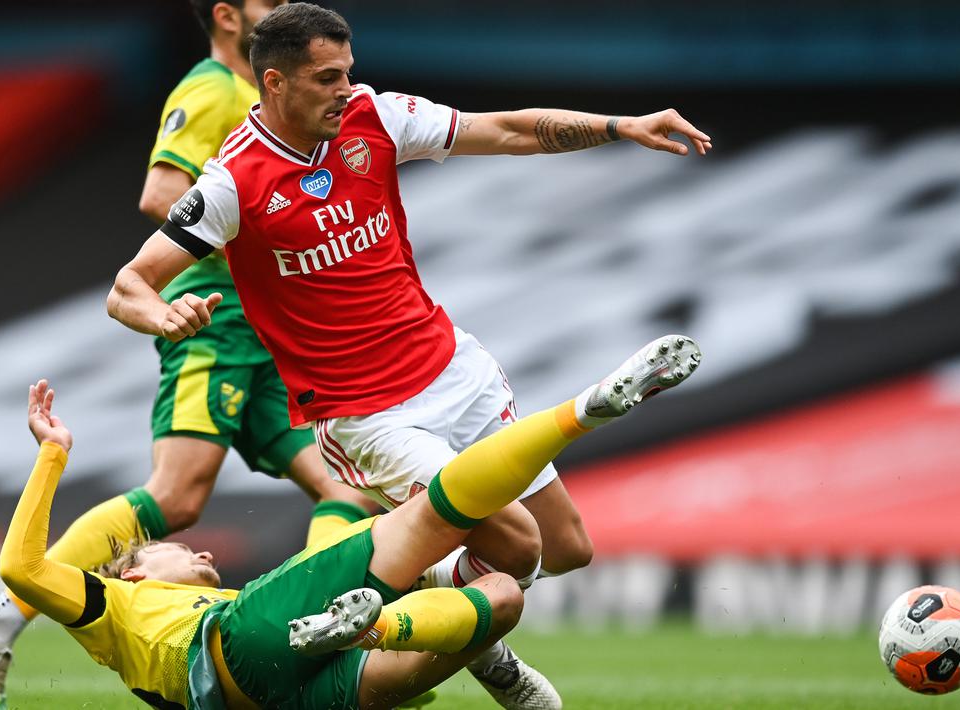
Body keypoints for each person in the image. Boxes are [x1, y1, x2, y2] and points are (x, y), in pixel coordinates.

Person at [107, 3, 711, 704]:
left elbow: (509, 131)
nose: (344, 88)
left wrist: (620, 126)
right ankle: (398, 625)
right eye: (326, 77)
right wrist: (165, 313)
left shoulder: (375, 116)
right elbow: (128, 287)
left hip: (452, 368)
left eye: (347, 72)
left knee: (568, 549)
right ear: (274, 83)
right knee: (515, 548)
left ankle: (429, 585)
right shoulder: (233, 181)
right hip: (368, 415)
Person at [0, 4, 374, 708]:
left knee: (346, 492)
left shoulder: (268, 95)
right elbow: (162, 194)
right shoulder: (210, 88)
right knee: (175, 496)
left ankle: (314, 629)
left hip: (267, 334)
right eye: (266, 1)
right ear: (227, 14)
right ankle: (0, 617)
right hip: (214, 321)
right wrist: (256, 226)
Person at [0, 335, 699, 709]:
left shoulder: (193, 623)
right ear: (140, 568)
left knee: (504, 595)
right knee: (447, 518)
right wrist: (51, 456)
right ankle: (582, 412)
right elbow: (21, 570)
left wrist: (336, 485)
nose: (202, 557)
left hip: (284, 697)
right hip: (241, 642)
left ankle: (405, 631)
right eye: (180, 552)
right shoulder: (114, 605)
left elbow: (333, 522)